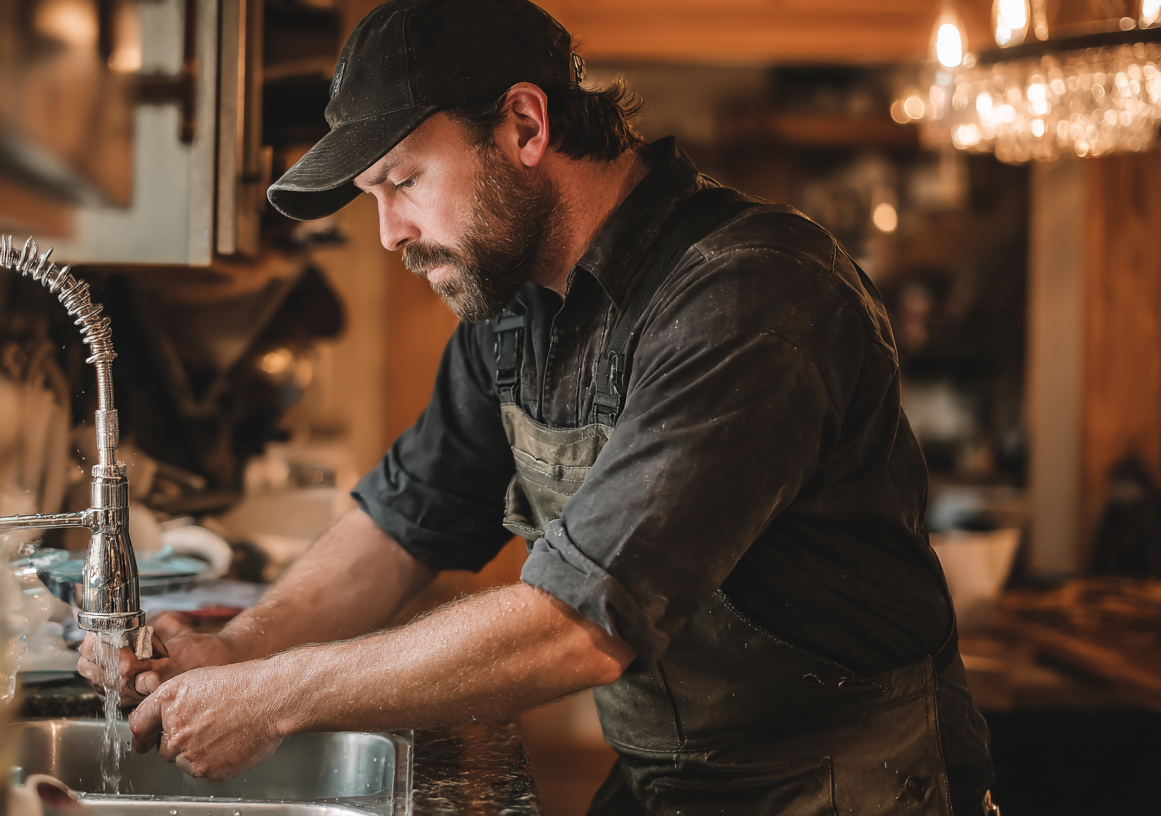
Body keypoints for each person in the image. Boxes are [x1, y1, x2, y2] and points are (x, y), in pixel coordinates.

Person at [78, 0, 998, 812]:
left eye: (403, 181)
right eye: (372, 198)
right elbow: (407, 521)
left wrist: (276, 696)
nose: (391, 233)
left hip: (848, 792)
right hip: (664, 785)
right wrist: (238, 650)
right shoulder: (512, 306)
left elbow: (578, 624)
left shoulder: (748, 294)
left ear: (524, 124)